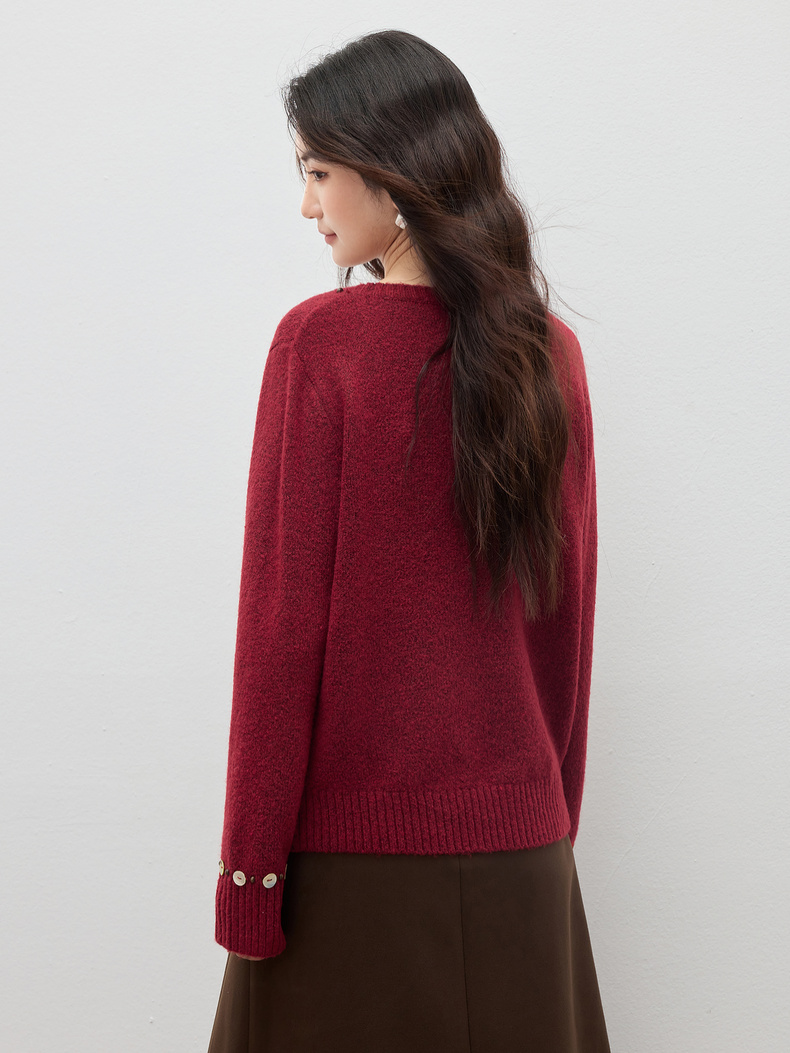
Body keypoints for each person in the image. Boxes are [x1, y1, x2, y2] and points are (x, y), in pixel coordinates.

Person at [207, 28, 610, 1053]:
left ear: (388, 174)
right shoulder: (548, 353)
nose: (307, 205)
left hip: (348, 872)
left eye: (318, 172)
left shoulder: (321, 345)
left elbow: (280, 634)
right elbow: (567, 627)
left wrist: (249, 873)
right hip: (524, 862)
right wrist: (547, 820)